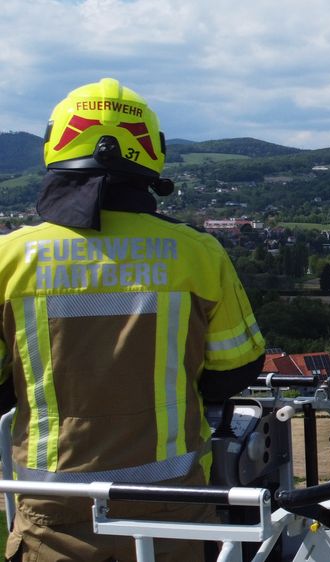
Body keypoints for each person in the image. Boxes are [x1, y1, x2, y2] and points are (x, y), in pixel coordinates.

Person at [0, 78, 266, 561]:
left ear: (56, 144)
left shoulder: (10, 257)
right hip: (174, 508)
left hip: (54, 514)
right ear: (151, 154)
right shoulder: (198, 252)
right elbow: (236, 370)